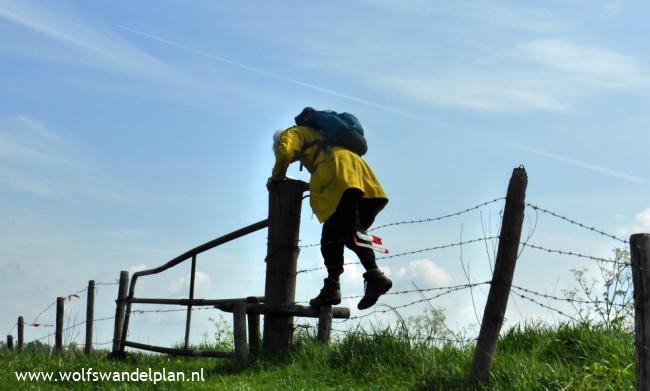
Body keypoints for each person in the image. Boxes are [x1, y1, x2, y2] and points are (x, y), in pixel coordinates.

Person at [269, 112, 392, 310]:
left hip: (340, 177)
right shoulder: (324, 138)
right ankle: (333, 286)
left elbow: (284, 151)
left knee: (343, 234)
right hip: (362, 177)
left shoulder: (293, 133)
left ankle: (373, 276)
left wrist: (276, 178)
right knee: (337, 236)